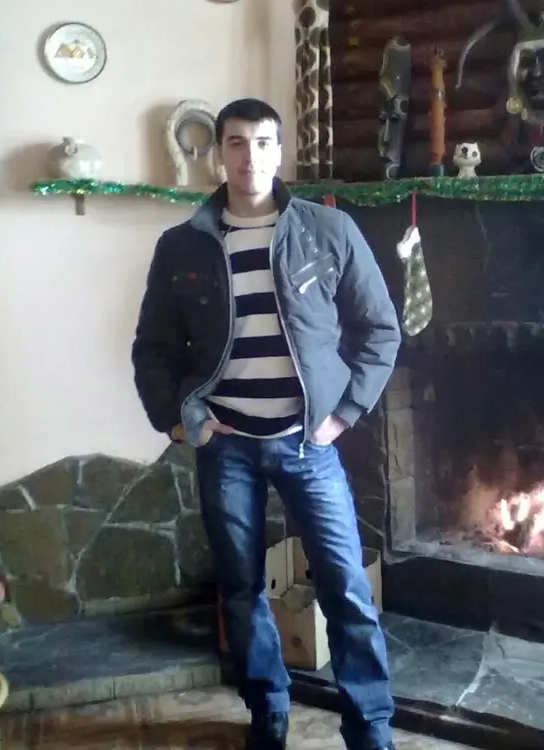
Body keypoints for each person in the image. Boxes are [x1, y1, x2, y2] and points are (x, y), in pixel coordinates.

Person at [131, 98, 401, 750]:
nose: (249, 156)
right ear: (219, 154)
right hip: (225, 446)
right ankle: (268, 712)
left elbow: (380, 329)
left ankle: (370, 729)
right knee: (241, 589)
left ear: (279, 152)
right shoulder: (180, 246)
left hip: (309, 444)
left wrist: (345, 415)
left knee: (346, 589)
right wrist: (176, 423)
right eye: (235, 143)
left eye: (261, 143)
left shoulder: (328, 231)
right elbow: (153, 348)